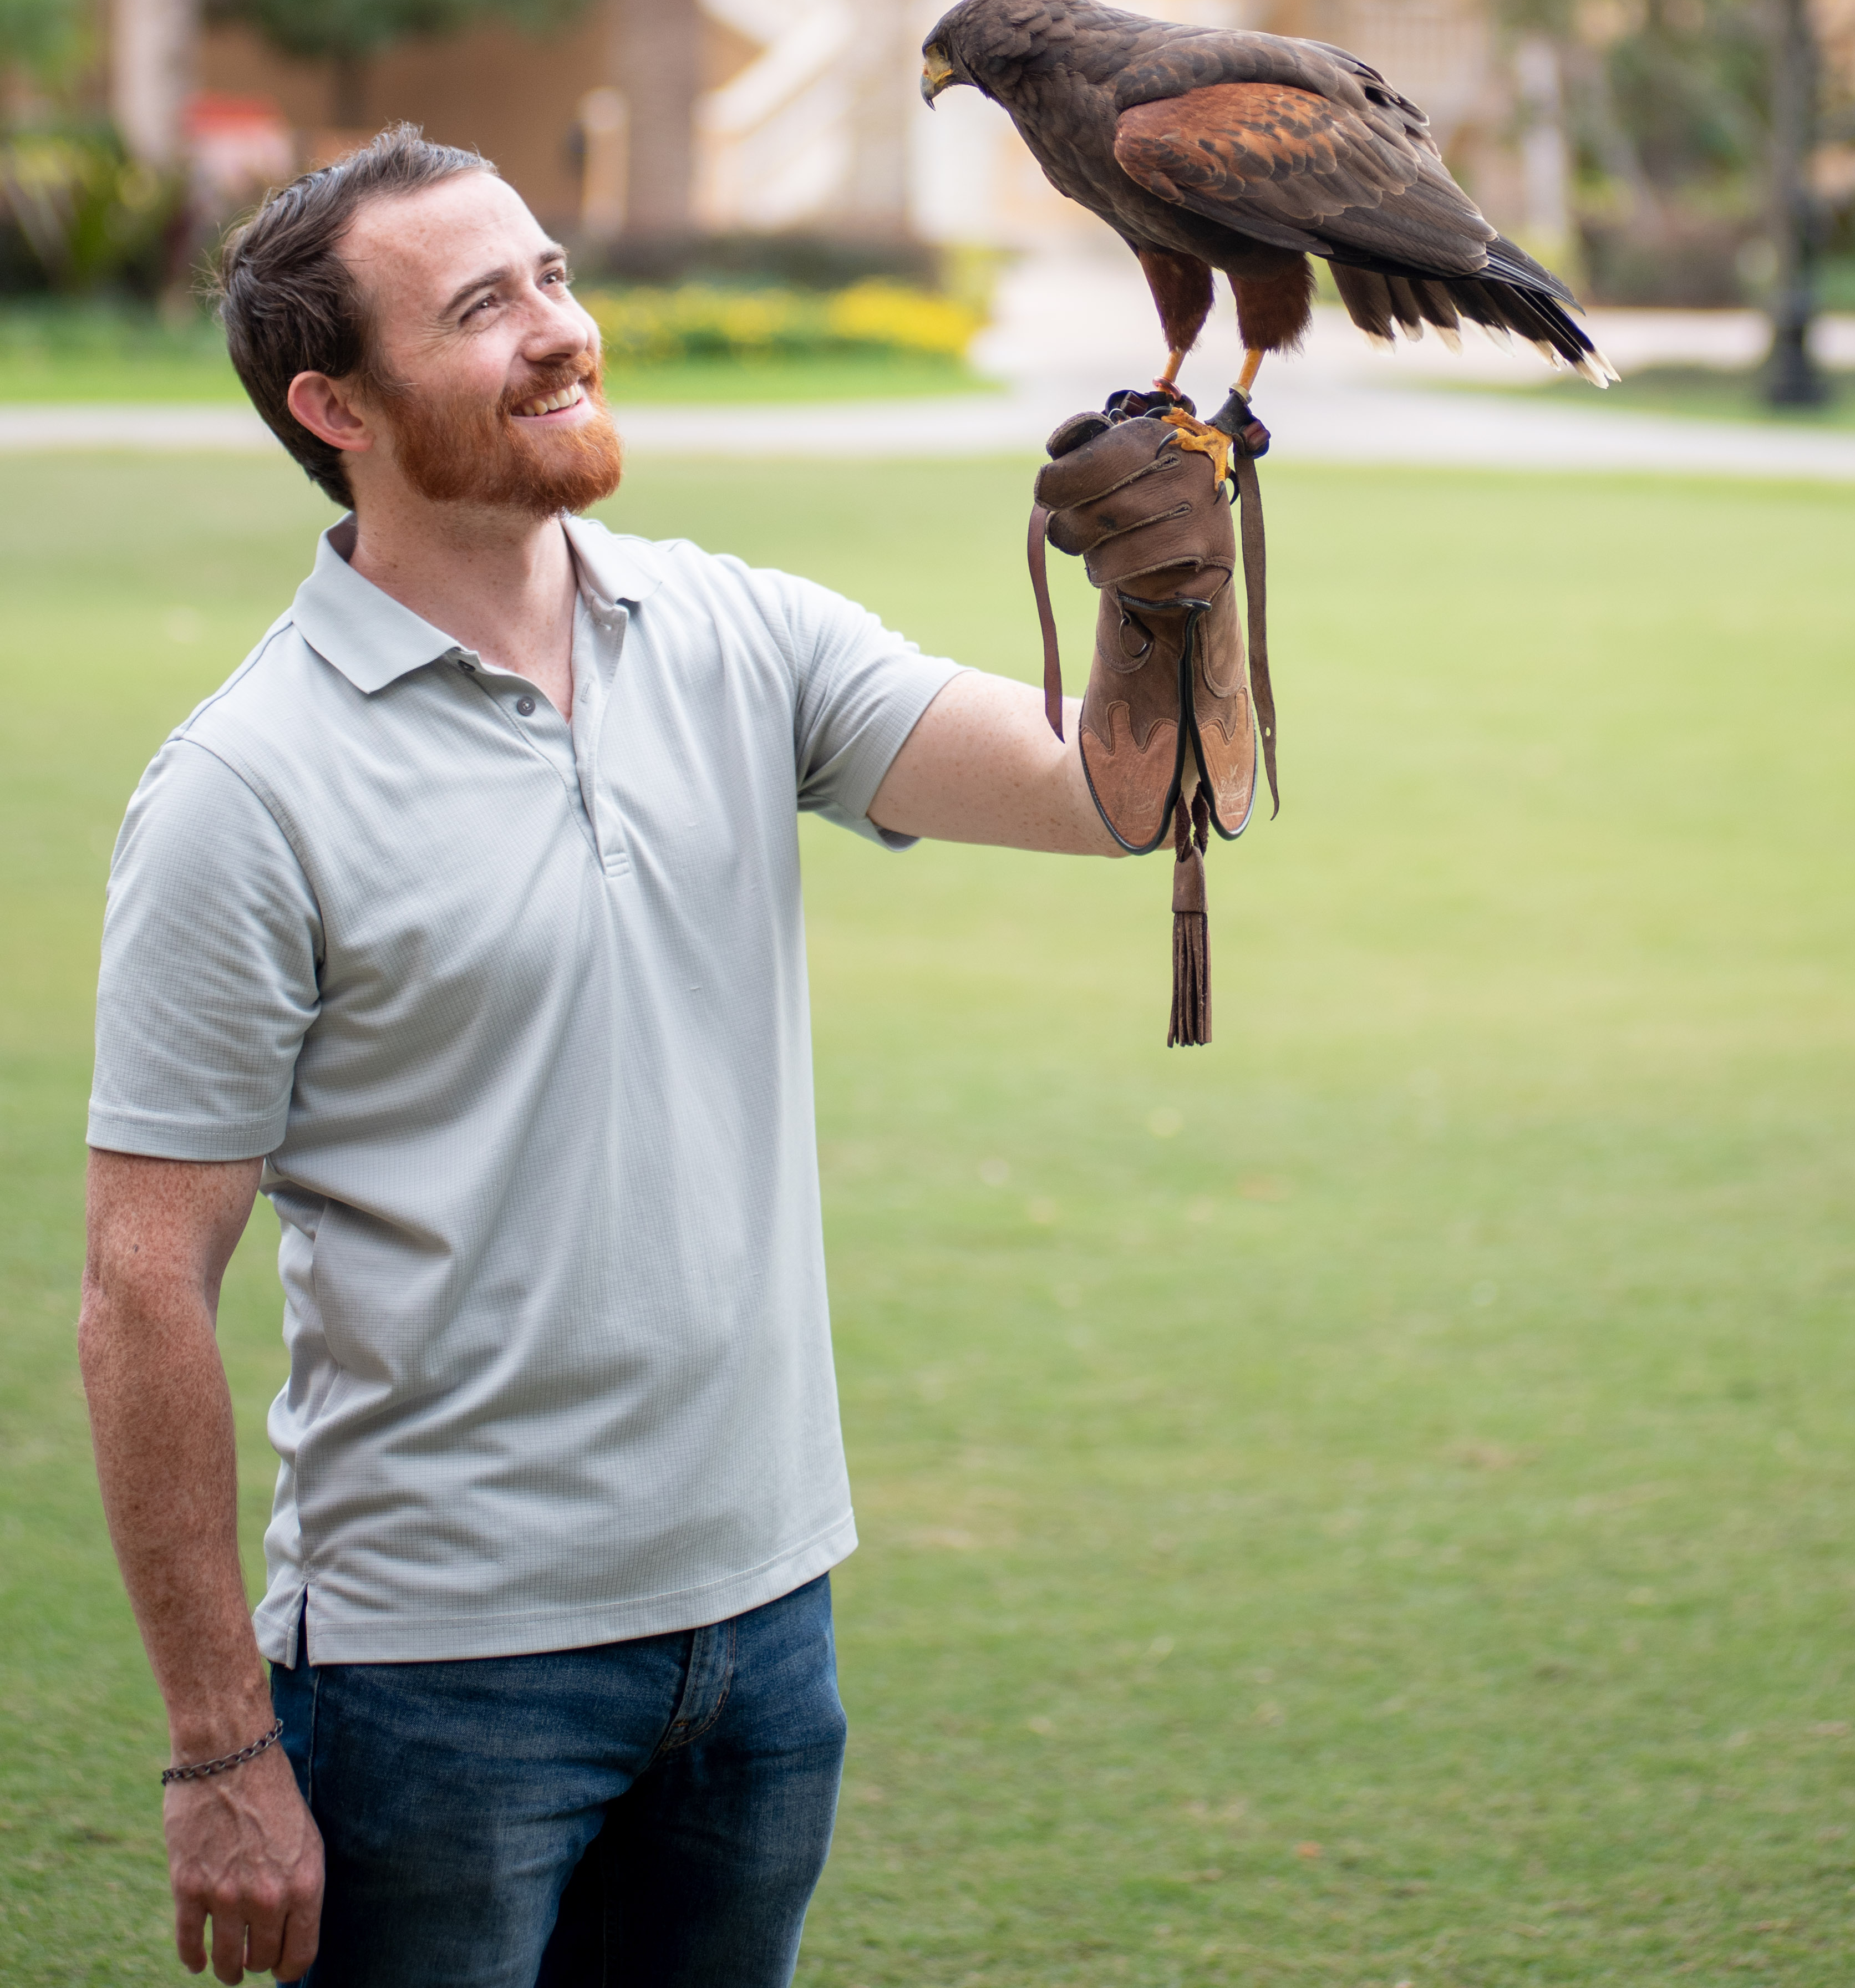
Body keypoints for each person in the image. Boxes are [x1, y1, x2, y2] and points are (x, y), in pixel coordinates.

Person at [80, 125, 1249, 1988]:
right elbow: (145, 1288)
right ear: (338, 405)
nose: (563, 330)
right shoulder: (244, 789)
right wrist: (222, 1746)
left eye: (552, 273)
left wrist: (1169, 601)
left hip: (764, 1626)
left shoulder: (734, 633)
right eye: (484, 308)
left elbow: (1121, 801)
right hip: (436, 1677)